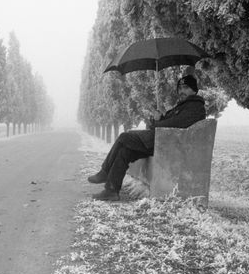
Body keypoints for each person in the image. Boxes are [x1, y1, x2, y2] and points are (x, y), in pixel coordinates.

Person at [88, 73, 206, 201]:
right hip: (161, 140)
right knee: (124, 151)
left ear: (195, 90)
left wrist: (157, 123)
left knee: (124, 137)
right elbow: (171, 122)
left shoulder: (195, 106)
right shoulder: (183, 105)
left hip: (165, 143)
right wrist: (160, 117)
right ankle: (111, 190)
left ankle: (105, 172)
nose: (182, 91)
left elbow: (175, 124)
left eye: (186, 88)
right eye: (180, 88)